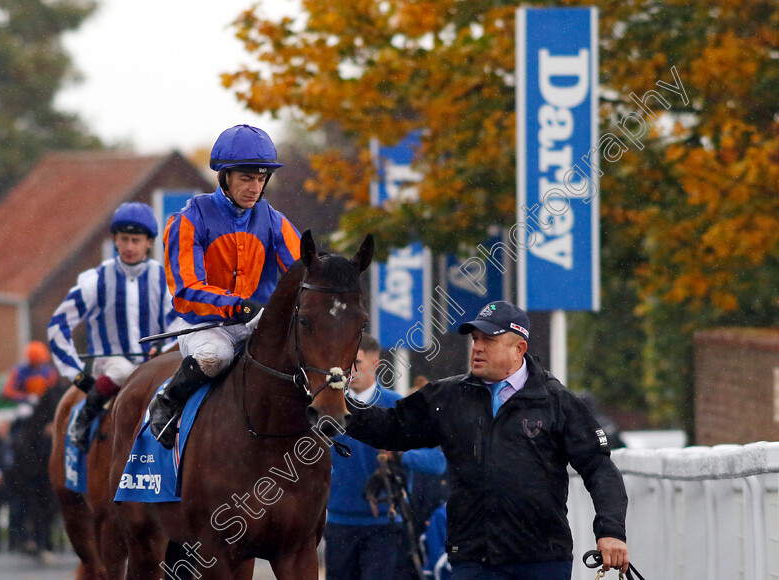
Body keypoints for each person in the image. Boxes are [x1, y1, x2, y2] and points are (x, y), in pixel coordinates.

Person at [345, 301, 630, 580]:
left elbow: (598, 467)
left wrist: (610, 532)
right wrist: (338, 409)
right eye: (475, 338)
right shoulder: (448, 397)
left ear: (519, 349)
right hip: (474, 560)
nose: (477, 347)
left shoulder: (556, 401)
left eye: (489, 340)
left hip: (543, 560)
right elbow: (391, 427)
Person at [148, 124, 301, 449]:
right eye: (247, 178)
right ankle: (167, 400)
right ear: (225, 177)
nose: (255, 188)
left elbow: (303, 270)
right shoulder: (188, 219)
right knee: (215, 357)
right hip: (205, 325)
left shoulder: (273, 220)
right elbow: (186, 290)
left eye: (261, 179)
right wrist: (238, 306)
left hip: (256, 320)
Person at [48, 201, 176, 452]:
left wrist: (162, 346)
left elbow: (179, 324)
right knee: (124, 371)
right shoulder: (94, 280)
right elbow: (57, 326)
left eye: (136, 240)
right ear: (115, 240)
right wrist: (75, 373)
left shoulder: (164, 280)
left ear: (149, 243)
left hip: (153, 363)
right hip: (110, 365)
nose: (129, 247)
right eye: (124, 239)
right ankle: (85, 415)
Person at [325, 334, 447, 580]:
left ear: (376, 365)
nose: (349, 370)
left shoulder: (397, 407)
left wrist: (402, 455)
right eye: (344, 362)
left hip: (385, 525)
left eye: (356, 363)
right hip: (338, 522)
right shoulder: (328, 408)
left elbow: (437, 463)